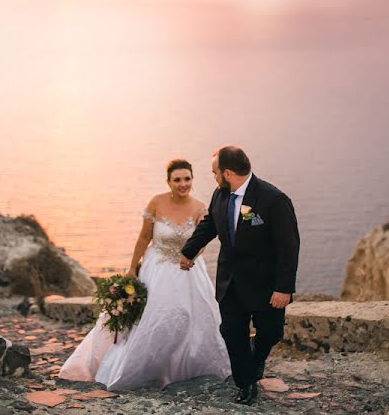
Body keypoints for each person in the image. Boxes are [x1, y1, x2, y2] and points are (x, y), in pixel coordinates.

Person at [58, 159, 231, 390]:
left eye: (187, 179)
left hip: (187, 269)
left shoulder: (200, 207)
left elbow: (202, 239)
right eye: (177, 180)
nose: (183, 184)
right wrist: (131, 269)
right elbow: (143, 238)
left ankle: (189, 367)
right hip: (157, 267)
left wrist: (193, 256)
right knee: (155, 316)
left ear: (192, 179)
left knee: (190, 315)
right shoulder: (156, 203)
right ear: (168, 181)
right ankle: (145, 369)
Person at [180, 146, 300, 405]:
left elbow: (288, 247)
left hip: (265, 285)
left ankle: (257, 358)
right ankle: (245, 383)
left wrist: (284, 288)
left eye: (214, 173)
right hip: (230, 282)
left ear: (228, 172)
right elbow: (210, 224)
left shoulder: (273, 199)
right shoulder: (221, 194)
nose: (213, 178)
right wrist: (188, 251)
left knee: (270, 333)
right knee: (232, 333)